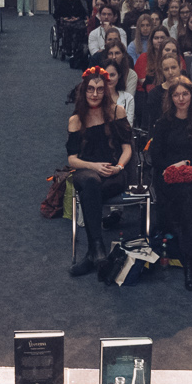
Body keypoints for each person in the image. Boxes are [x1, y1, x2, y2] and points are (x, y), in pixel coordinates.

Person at [66, 67, 135, 278]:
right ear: (84, 90)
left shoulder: (117, 111)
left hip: (114, 173)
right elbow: (72, 159)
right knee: (90, 183)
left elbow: (127, 148)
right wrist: (94, 166)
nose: (94, 94)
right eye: (90, 89)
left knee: (90, 194)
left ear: (106, 91)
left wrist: (119, 167)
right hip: (87, 171)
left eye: (99, 89)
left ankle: (94, 253)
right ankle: (98, 251)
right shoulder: (76, 120)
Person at [154, 75, 192, 292]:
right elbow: (156, 159)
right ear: (170, 98)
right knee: (186, 196)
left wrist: (187, 165)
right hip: (169, 180)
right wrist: (176, 166)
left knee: (189, 196)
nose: (181, 98)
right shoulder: (163, 124)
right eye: (176, 95)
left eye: (185, 94)